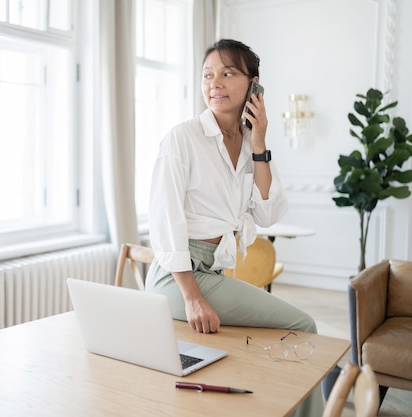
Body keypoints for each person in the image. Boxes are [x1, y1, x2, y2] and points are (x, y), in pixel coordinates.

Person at [146, 39, 323, 417]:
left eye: (228, 73)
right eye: (208, 75)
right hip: (178, 277)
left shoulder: (246, 144)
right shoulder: (183, 138)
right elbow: (164, 220)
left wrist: (260, 143)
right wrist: (192, 296)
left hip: (212, 269)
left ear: (253, 86)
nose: (215, 83)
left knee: (265, 344)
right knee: (303, 324)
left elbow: (268, 212)